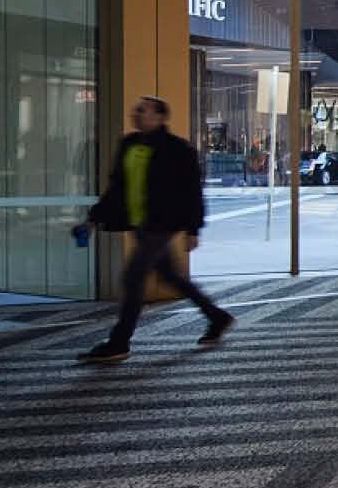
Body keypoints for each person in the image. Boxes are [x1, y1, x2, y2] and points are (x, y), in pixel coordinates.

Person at [78, 96, 234, 363]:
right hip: (139, 224)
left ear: (160, 117)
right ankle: (217, 317)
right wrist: (93, 218)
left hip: (163, 224)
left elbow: (192, 192)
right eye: (136, 110)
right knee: (172, 278)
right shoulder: (128, 145)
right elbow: (117, 188)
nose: (136, 114)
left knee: (132, 277)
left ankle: (119, 342)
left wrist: (193, 228)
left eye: (143, 110)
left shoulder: (178, 149)